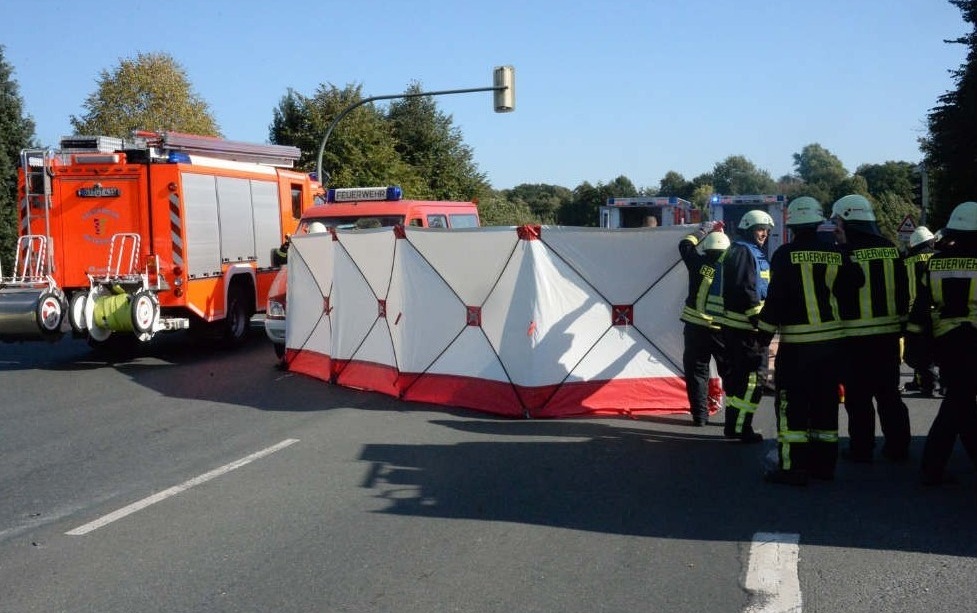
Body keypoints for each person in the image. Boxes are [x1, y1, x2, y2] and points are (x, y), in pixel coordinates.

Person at [757, 197, 864, 485]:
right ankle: (824, 466)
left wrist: (762, 336)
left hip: (797, 347)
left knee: (791, 406)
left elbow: (776, 300)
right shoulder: (836, 253)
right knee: (825, 404)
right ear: (818, 223)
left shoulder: (783, 255)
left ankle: (792, 467)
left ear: (791, 226)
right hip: (832, 346)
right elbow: (857, 282)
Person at [831, 194, 911, 463]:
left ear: (847, 221)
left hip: (854, 338)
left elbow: (839, 292)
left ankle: (861, 449)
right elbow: (903, 291)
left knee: (858, 398)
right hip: (888, 336)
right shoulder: (891, 249)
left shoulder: (844, 253)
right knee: (889, 395)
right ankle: (898, 447)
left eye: (838, 221)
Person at [906, 201, 977, 485]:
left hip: (946, 341)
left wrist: (914, 343)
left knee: (961, 402)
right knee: (958, 403)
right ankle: (932, 468)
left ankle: (935, 467)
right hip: (973, 339)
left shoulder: (934, 263)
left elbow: (921, 307)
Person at [720, 209, 775, 443]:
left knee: (739, 380)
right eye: (760, 229)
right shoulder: (744, 251)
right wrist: (760, 324)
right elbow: (746, 289)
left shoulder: (742, 249)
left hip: (739, 328)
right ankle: (741, 428)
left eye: (766, 231)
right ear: (749, 229)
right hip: (747, 330)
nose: (764, 234)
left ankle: (733, 425)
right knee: (753, 380)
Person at [679, 221, 730, 426]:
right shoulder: (730, 271)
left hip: (695, 328)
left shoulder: (697, 264)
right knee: (730, 372)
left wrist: (705, 229)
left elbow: (685, 245)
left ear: (706, 248)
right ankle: (734, 417)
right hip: (721, 330)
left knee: (697, 373)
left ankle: (700, 417)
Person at [902, 226, 939, 396]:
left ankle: (926, 383)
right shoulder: (938, 257)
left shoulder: (906, 261)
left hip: (914, 312)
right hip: (937, 309)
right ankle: (940, 383)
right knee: (940, 347)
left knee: (917, 349)